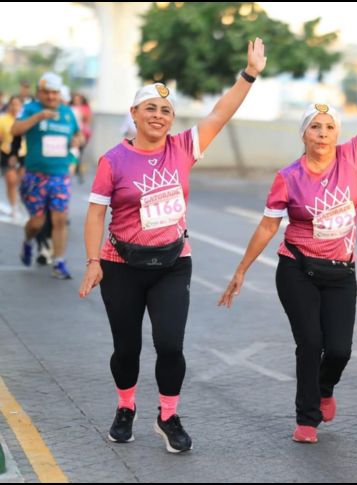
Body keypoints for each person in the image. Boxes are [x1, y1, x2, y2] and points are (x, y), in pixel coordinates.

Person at [219, 41, 357, 444]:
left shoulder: (351, 157)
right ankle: (306, 418)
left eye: (329, 127)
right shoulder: (288, 177)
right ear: (304, 134)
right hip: (298, 268)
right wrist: (241, 270)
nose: (323, 133)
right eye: (315, 127)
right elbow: (265, 227)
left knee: (340, 350)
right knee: (310, 342)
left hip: (341, 271)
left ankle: (325, 389)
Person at [77, 37, 267, 453]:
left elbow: (221, 112)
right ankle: (126, 407)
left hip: (172, 262)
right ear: (134, 115)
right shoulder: (112, 160)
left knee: (169, 343)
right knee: (127, 347)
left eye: (166, 110)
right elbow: (95, 214)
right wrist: (93, 261)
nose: (159, 116)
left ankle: (167, 415)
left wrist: (249, 74)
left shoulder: (183, 148)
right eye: (151, 108)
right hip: (121, 264)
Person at [11, 72, 82, 278]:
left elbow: (77, 134)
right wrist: (39, 117)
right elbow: (15, 129)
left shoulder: (67, 113)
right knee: (36, 222)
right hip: (35, 176)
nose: (51, 97)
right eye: (47, 93)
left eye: (55, 93)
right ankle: (28, 241)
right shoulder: (30, 109)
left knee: (60, 219)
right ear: (39, 92)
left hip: (60, 175)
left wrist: (77, 141)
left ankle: (58, 262)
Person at [0, 96, 26, 219]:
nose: (15, 106)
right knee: (11, 180)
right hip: (7, 152)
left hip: (23, 153)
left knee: (21, 181)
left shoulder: (25, 119)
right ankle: (14, 207)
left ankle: (19, 201)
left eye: (18, 104)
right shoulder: (3, 119)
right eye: (13, 104)